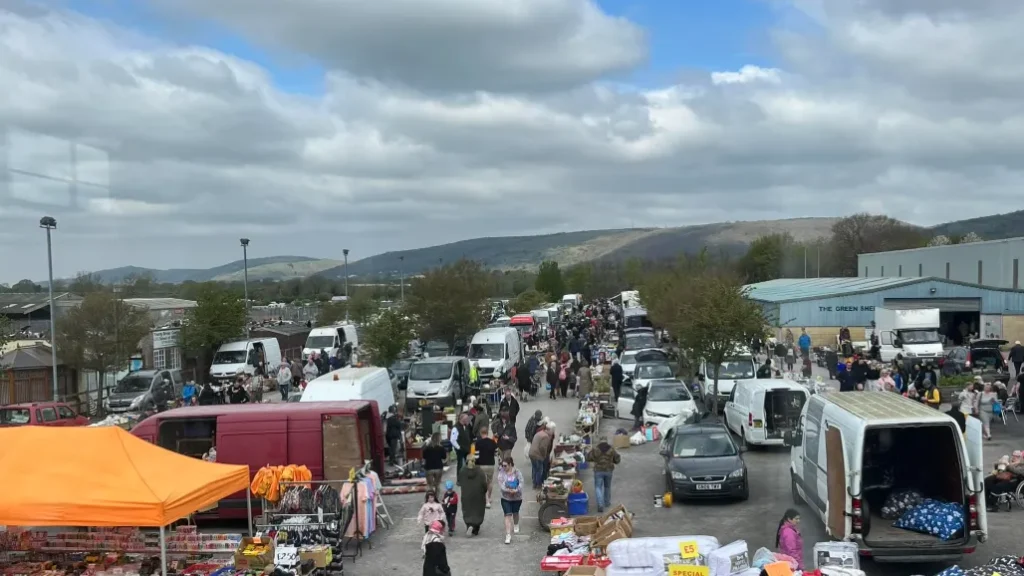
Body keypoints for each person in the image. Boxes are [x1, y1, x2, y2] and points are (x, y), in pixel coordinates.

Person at [496, 456, 525, 545]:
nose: (503, 467)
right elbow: (501, 484)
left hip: (517, 497)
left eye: (505, 466)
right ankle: (508, 534)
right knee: (507, 515)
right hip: (505, 498)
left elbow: (521, 482)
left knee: (515, 512)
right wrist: (508, 490)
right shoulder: (501, 473)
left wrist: (516, 490)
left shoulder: (517, 472)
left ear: (510, 464)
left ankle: (516, 524)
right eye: (502, 466)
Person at [457, 453, 487, 536]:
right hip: (478, 494)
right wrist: (484, 491)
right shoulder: (480, 471)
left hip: (466, 494)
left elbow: (459, 481)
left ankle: (469, 525)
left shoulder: (462, 471)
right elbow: (484, 484)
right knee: (478, 510)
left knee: (467, 510)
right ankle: (476, 528)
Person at [590, 434, 621, 513]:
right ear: (606, 441)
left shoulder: (595, 449)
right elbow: (617, 459)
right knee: (607, 487)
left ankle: (600, 504)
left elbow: (588, 457)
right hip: (608, 470)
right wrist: (612, 461)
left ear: (600, 441)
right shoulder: (611, 449)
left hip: (598, 471)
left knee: (598, 487)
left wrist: (595, 459)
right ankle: (607, 503)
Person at [473, 427, 499, 507]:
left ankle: (486, 501)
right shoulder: (493, 442)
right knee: (490, 482)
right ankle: (489, 497)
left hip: (481, 465)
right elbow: (496, 453)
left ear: (481, 433)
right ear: (487, 433)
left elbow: (476, 456)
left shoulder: (477, 443)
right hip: (490, 464)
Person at [528, 420, 552, 489]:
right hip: (537, 455)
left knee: (535, 469)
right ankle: (538, 484)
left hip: (531, 453)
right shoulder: (545, 436)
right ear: (548, 430)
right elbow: (543, 447)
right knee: (539, 470)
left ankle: (534, 484)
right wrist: (544, 456)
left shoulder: (539, 433)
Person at [422, 432, 448, 496]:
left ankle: (430, 498)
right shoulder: (441, 448)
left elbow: (424, 456)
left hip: (429, 468)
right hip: (438, 468)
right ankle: (436, 498)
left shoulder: (427, 448)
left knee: (430, 485)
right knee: (437, 484)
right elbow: (444, 457)